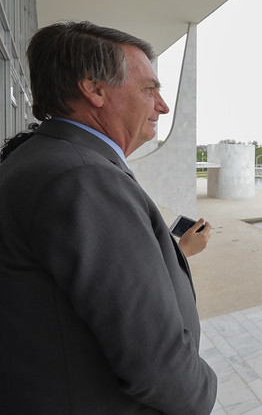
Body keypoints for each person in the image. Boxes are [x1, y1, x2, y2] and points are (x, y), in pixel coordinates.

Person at [0, 22, 217, 414]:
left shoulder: (45, 157)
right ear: (94, 89)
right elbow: (160, 366)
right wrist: (203, 391)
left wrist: (179, 251)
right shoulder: (84, 177)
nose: (162, 105)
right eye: (149, 89)